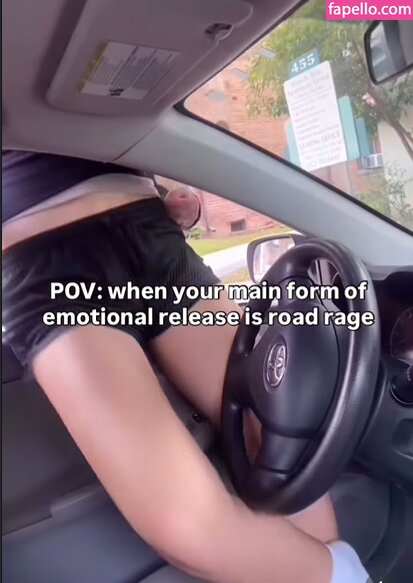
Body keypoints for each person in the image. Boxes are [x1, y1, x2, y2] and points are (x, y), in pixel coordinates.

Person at [2, 150, 371, 583]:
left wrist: (182, 199)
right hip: (42, 265)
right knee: (192, 526)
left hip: (148, 228)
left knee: (284, 441)